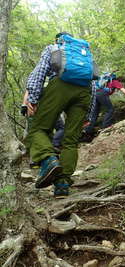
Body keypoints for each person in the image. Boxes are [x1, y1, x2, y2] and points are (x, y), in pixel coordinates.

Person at [25, 32, 93, 198]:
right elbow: (93, 80)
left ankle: (48, 159)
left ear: (58, 40)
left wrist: (32, 98)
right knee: (71, 141)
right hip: (84, 92)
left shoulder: (54, 47)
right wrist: (88, 114)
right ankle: (62, 184)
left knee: (37, 129)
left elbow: (40, 72)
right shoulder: (85, 53)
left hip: (60, 86)